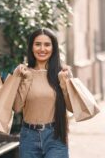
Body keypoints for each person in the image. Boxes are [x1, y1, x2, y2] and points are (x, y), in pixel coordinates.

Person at [13, 28, 73, 158]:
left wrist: (63, 84)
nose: (42, 49)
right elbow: (16, 107)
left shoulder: (62, 73)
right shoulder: (23, 72)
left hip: (55, 136)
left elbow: (72, 107)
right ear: (31, 47)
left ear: (53, 48)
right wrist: (26, 80)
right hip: (29, 137)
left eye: (47, 44)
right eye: (38, 44)